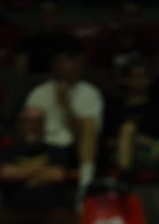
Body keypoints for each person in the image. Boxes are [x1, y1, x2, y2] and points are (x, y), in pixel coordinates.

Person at [0, 105, 82, 224]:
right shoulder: (9, 151)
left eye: (37, 122)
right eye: (28, 121)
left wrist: (21, 174)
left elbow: (57, 175)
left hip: (51, 210)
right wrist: (39, 169)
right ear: (19, 125)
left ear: (43, 125)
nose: (32, 126)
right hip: (15, 210)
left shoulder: (56, 150)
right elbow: (5, 174)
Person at [108, 54, 159, 209]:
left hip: (153, 152)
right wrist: (134, 139)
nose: (140, 81)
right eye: (134, 77)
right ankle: (124, 181)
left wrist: (156, 143)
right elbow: (106, 141)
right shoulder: (115, 107)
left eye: (143, 76)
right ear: (125, 79)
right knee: (128, 128)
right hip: (124, 154)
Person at [26, 50, 104, 197]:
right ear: (53, 72)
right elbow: (28, 128)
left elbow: (83, 131)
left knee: (88, 126)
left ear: (77, 72)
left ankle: (85, 186)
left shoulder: (89, 93)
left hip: (74, 147)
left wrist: (65, 104)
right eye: (61, 74)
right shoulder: (38, 93)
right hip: (44, 144)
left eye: (69, 74)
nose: (65, 79)